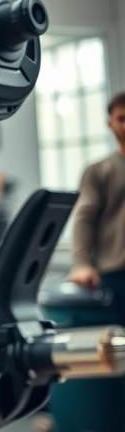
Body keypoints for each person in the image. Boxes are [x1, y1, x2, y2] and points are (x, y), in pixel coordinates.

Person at [69, 93, 125, 312]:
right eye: (121, 118)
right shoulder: (98, 171)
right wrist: (82, 264)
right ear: (110, 124)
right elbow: (84, 217)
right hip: (115, 275)